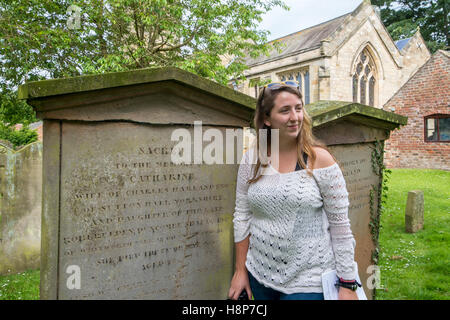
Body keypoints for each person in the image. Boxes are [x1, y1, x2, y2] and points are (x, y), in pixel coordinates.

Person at [227, 81, 359, 300]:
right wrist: (240, 270)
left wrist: (347, 284)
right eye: (285, 110)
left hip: (308, 281)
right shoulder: (252, 160)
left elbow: (341, 227)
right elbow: (242, 215)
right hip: (259, 275)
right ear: (267, 119)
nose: (295, 117)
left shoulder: (320, 160)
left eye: (298, 108)